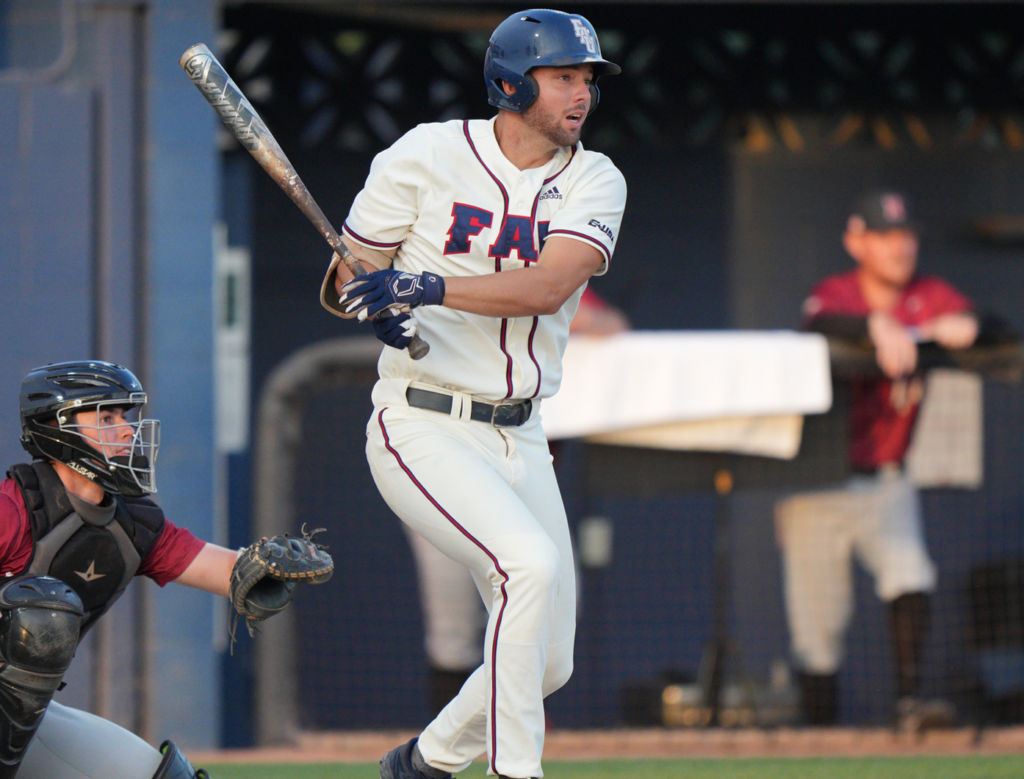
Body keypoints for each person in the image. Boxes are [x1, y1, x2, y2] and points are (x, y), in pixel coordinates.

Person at [321, 9, 626, 778]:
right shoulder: (425, 154)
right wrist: (372, 299)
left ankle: (423, 763)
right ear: (511, 84)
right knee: (525, 566)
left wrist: (426, 285)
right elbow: (348, 274)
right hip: (423, 418)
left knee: (547, 659)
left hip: (521, 432)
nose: (581, 93)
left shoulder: (595, 177)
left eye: (586, 78)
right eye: (563, 77)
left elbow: (549, 283)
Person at [1, 360, 312, 779]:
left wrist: (270, 564)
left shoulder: (133, 526)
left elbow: (230, 572)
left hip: (18, 718)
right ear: (56, 427)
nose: (127, 429)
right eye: (106, 417)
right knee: (41, 613)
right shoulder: (12, 510)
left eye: (125, 416)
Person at [775, 190, 978, 732]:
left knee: (911, 575)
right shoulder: (837, 293)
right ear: (856, 241)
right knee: (817, 637)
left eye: (906, 234)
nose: (899, 246)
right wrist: (875, 326)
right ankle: (819, 746)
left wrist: (965, 327)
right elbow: (820, 321)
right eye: (885, 235)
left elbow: (984, 322)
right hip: (816, 482)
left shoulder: (928, 294)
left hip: (887, 479)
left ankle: (909, 707)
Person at [404, 288, 630, 719]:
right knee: (452, 631)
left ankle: (509, 739)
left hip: (520, 487)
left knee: (556, 620)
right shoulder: (446, 273)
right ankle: (447, 754)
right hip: (439, 476)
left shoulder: (544, 273)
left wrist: (538, 315)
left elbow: (612, 325)